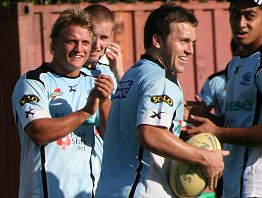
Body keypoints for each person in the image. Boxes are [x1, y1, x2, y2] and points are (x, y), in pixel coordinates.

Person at [95, 3, 229, 197]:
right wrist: (204, 157)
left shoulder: (133, 74)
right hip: (141, 191)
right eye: (183, 41)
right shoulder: (161, 80)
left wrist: (181, 112)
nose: (190, 50)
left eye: (192, 42)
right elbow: (150, 134)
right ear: (157, 40)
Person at [11, 8, 114, 197]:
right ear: (54, 44)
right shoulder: (34, 81)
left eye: (85, 43)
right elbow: (38, 132)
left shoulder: (95, 81)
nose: (79, 49)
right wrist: (85, 112)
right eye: (71, 42)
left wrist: (105, 101)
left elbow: (112, 141)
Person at [185, 0, 262, 197]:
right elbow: (238, 121)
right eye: (235, 14)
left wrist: (218, 131)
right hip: (231, 184)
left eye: (249, 15)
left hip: (255, 185)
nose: (240, 22)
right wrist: (205, 118)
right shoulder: (234, 63)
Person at [82, 4, 124, 192]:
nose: (96, 45)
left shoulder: (110, 73)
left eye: (104, 37)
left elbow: (120, 127)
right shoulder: (63, 72)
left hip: (101, 179)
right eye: (92, 36)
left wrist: (120, 72)